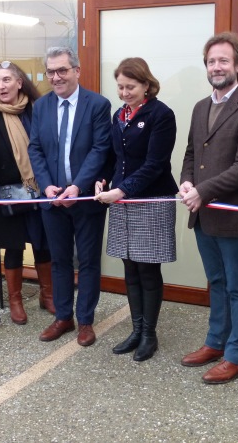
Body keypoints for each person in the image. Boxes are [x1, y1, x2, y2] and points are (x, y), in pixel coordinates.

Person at [179, 32, 238, 383]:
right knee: (216, 281)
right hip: (202, 214)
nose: (216, 66)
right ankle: (215, 342)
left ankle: (236, 355)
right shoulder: (201, 106)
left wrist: (202, 190)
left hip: (233, 215)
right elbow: (191, 153)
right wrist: (186, 182)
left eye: (223, 60)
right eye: (211, 61)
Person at [28, 46, 113, 347]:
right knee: (59, 259)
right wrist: (47, 185)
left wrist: (77, 186)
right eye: (51, 71)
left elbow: (100, 149)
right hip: (52, 199)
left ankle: (86, 321)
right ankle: (64, 317)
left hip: (85, 198)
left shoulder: (98, 105)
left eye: (62, 70)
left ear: (77, 70)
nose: (56, 77)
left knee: (88, 260)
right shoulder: (41, 107)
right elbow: (35, 149)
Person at [94, 57, 177, 362]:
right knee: (129, 266)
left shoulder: (161, 114)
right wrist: (103, 181)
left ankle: (149, 334)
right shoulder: (120, 114)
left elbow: (156, 164)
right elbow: (116, 158)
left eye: (131, 86)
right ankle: (136, 328)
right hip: (121, 198)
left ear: (146, 84)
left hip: (150, 199)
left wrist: (122, 189)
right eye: (120, 87)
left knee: (147, 267)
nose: (125, 92)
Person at [0, 61, 54, 325]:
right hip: (5, 196)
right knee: (13, 248)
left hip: (39, 190)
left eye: (6, 80)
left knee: (43, 244)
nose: (1, 86)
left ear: (19, 82)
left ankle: (48, 295)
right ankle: (16, 302)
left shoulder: (38, 110)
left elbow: (49, 148)